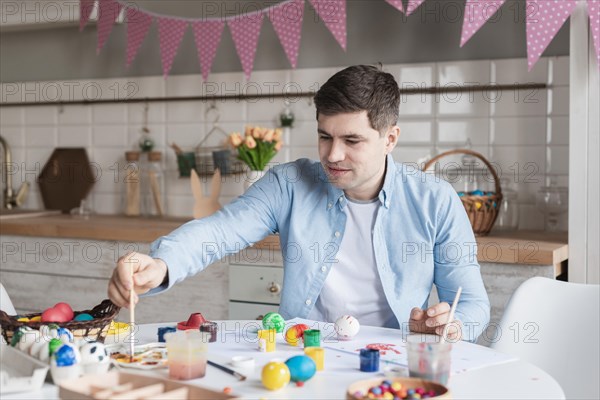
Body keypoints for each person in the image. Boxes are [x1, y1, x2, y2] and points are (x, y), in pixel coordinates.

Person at [108, 65, 490, 342]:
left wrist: (451, 324)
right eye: (325, 136)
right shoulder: (289, 183)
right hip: (301, 350)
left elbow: (472, 304)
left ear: (390, 138)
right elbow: (221, 230)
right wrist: (161, 264)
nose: (333, 154)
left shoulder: (435, 201)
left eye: (351, 141)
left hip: (391, 356)